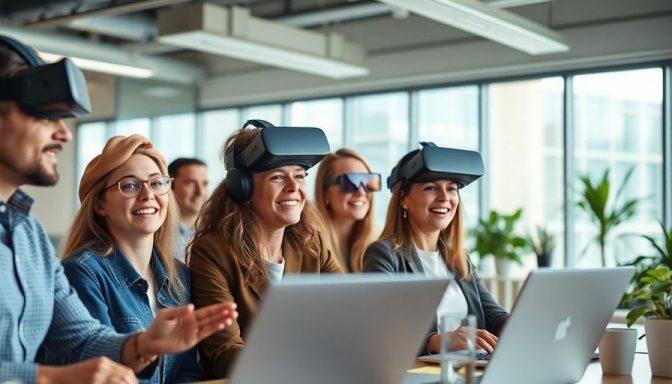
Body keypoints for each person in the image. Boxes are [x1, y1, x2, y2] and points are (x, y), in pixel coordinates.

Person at [0, 33, 236, 384]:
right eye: (44, 117)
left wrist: (141, 344)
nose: (64, 134)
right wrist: (46, 379)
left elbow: (80, 338)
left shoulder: (25, 231)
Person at [187, 121, 344, 379]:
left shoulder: (311, 243)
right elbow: (224, 353)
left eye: (300, 175)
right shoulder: (212, 252)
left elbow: (348, 314)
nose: (294, 187)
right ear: (243, 188)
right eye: (278, 177)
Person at [57, 135, 203, 383]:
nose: (148, 195)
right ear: (100, 205)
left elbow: (187, 372)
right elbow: (97, 373)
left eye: (156, 183)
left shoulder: (179, 276)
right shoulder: (82, 273)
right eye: (130, 185)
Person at [363, 143, 508, 355]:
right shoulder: (384, 254)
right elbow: (379, 328)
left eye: (452, 188)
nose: (444, 197)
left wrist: (526, 326)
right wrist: (439, 341)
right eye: (431, 188)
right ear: (403, 199)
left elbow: (493, 316)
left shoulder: (459, 259)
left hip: (468, 369)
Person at [314, 148, 380, 272]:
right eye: (350, 182)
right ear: (325, 192)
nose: (361, 192)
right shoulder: (310, 247)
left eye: (368, 182)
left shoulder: (379, 245)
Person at [168, 157, 208, 260]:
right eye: (190, 183)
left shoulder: (217, 231)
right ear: (171, 186)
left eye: (204, 184)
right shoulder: (155, 233)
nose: (200, 192)